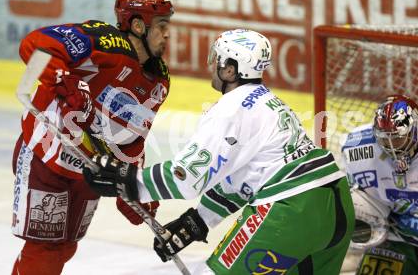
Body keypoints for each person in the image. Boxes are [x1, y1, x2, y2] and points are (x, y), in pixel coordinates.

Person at [83, 29, 355, 274]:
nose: (212, 65)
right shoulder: (270, 101)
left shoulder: (231, 110)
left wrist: (128, 180)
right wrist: (197, 221)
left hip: (293, 210)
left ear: (230, 70)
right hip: (337, 206)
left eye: (218, 59)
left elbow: (185, 178)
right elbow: (243, 180)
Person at [11, 0, 174, 275]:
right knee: (44, 249)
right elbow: (36, 45)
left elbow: (132, 138)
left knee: (65, 246)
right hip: (47, 152)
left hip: (90, 171)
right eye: (162, 26)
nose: (167, 35)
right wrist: (66, 83)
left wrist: (134, 185)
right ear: (138, 25)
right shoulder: (102, 40)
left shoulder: (158, 79)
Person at [342, 95, 418, 275]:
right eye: (384, 139)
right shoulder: (359, 149)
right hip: (393, 237)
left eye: (397, 139)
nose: (391, 146)